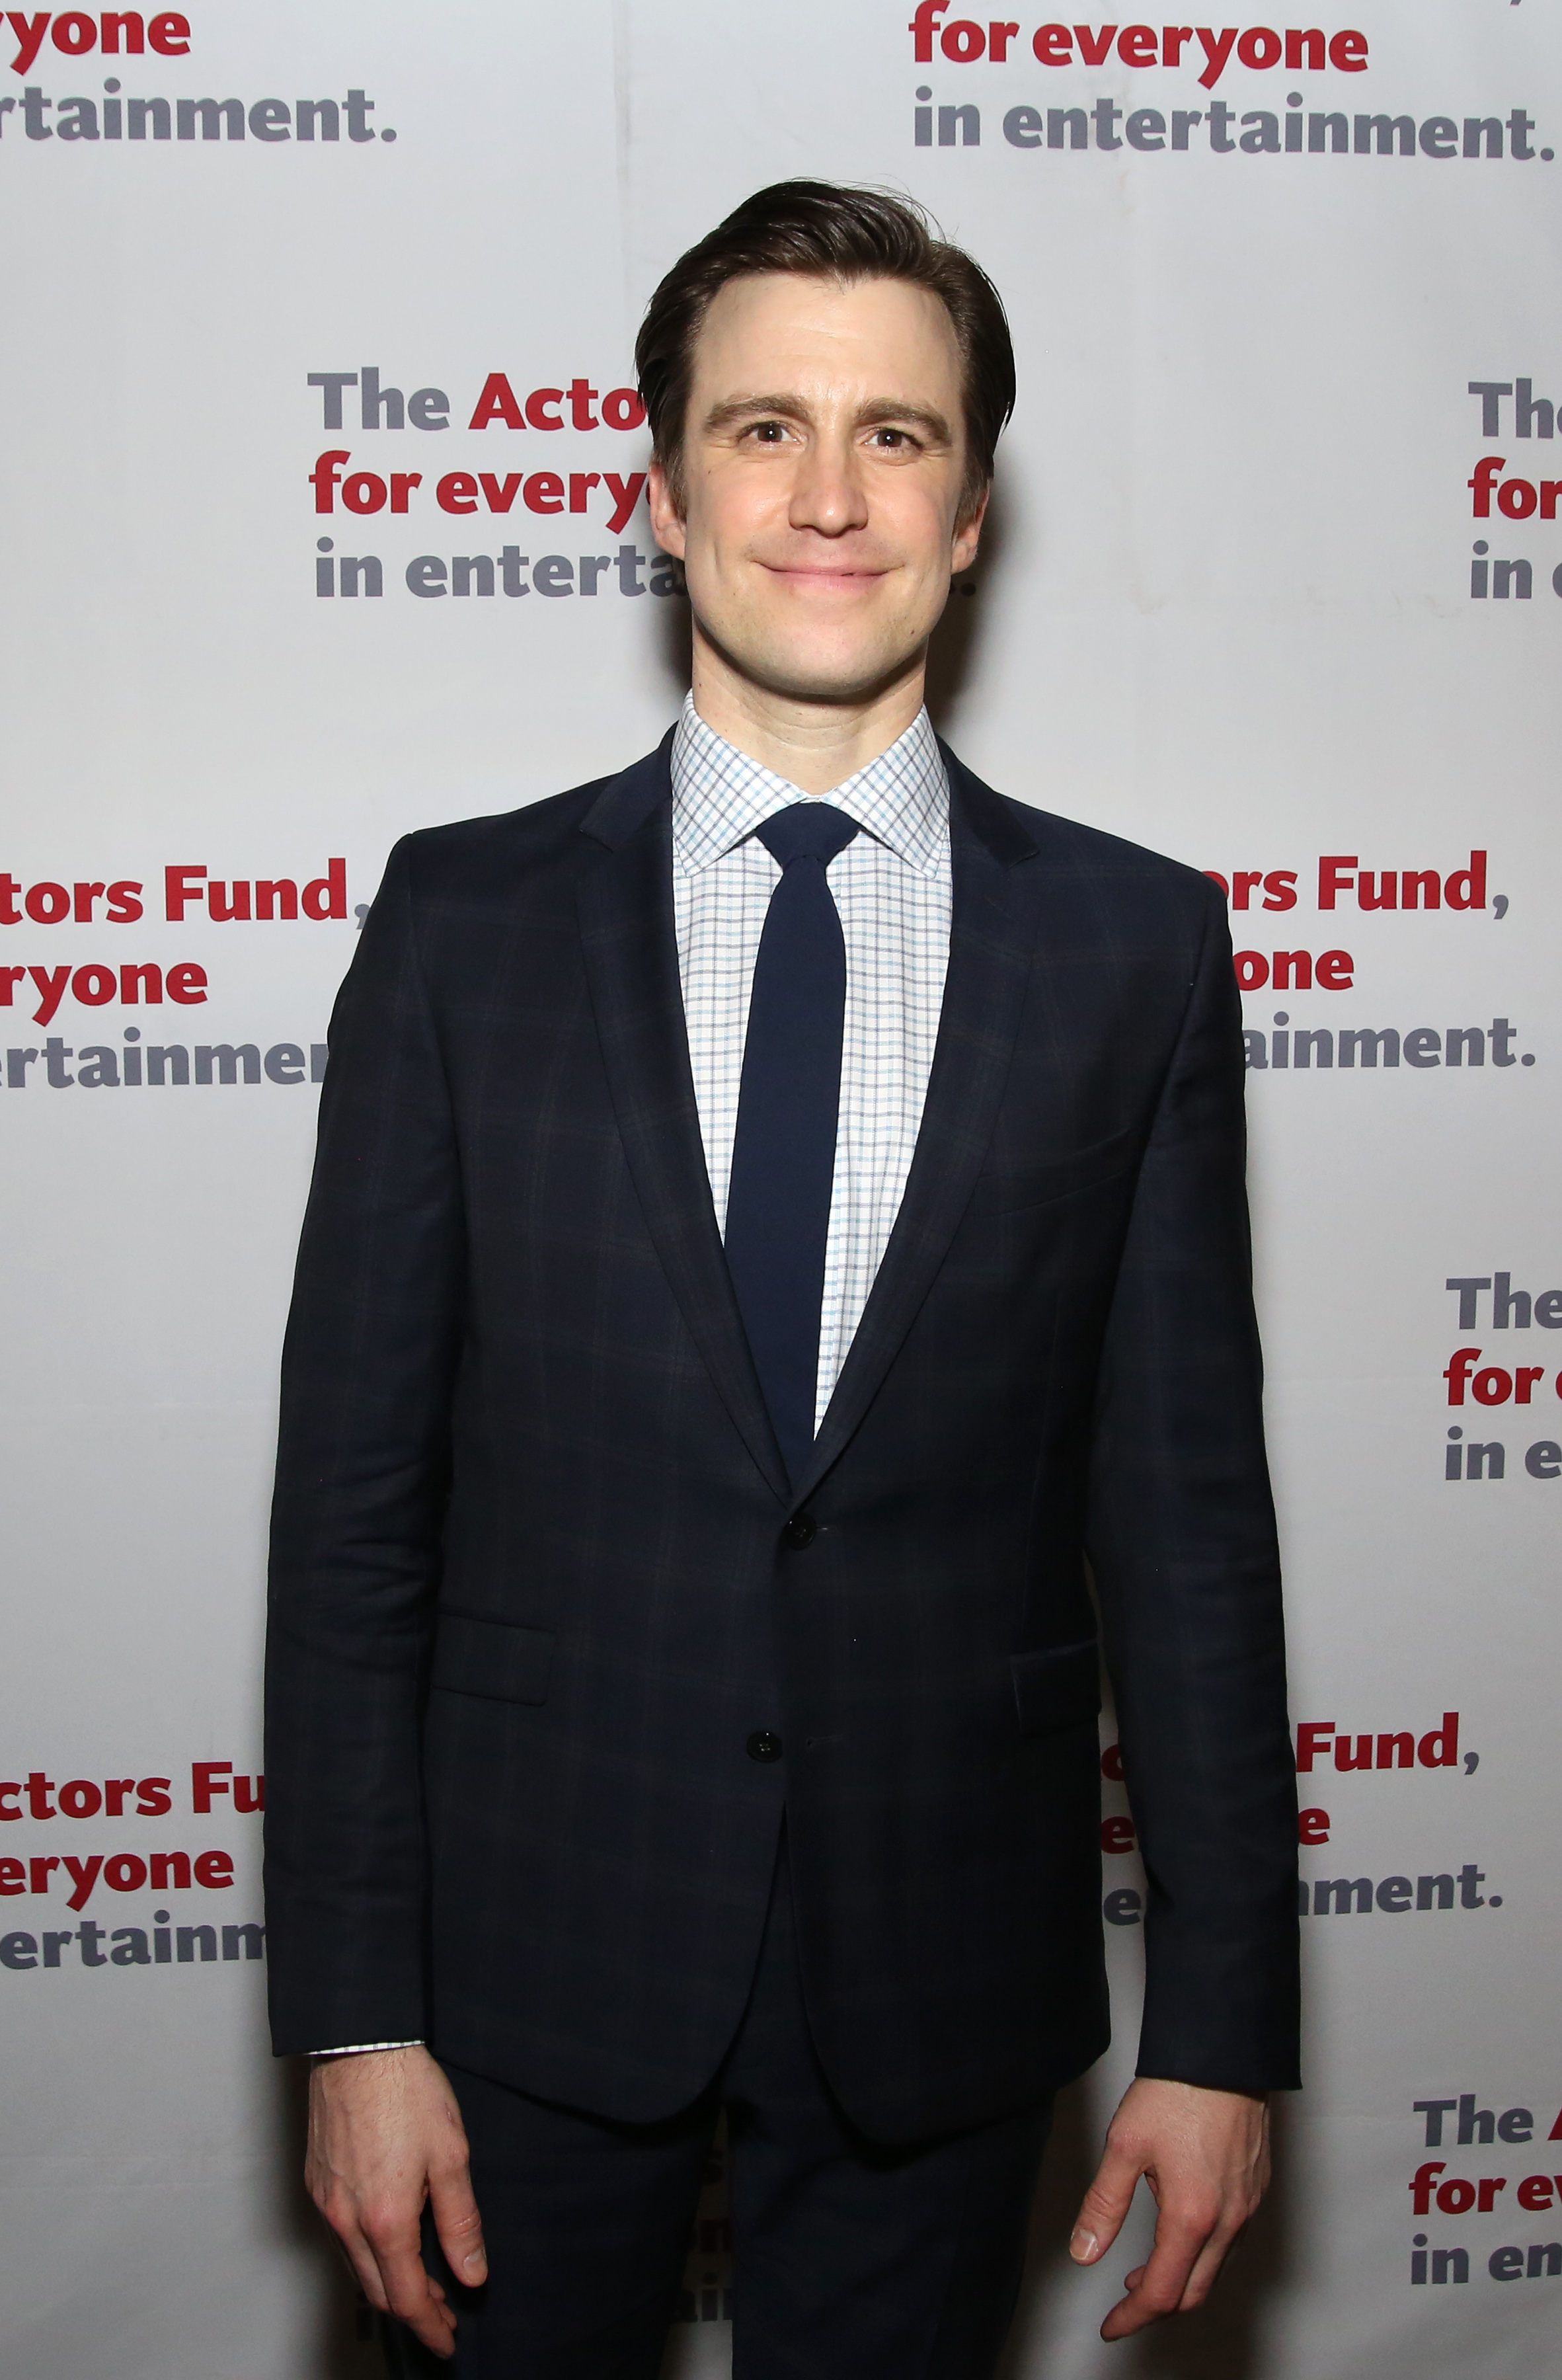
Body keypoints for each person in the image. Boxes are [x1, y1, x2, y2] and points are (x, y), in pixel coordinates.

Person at [264, 180, 1299, 2377]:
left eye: (896, 436)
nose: (827, 496)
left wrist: (1221, 2030)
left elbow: (1189, 1535)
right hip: (520, 1974)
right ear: (659, 486)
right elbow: (352, 1526)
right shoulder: (461, 931)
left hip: (941, 1976)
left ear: (974, 505)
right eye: (760, 429)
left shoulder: (1136, 951)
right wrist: (352, 2016)